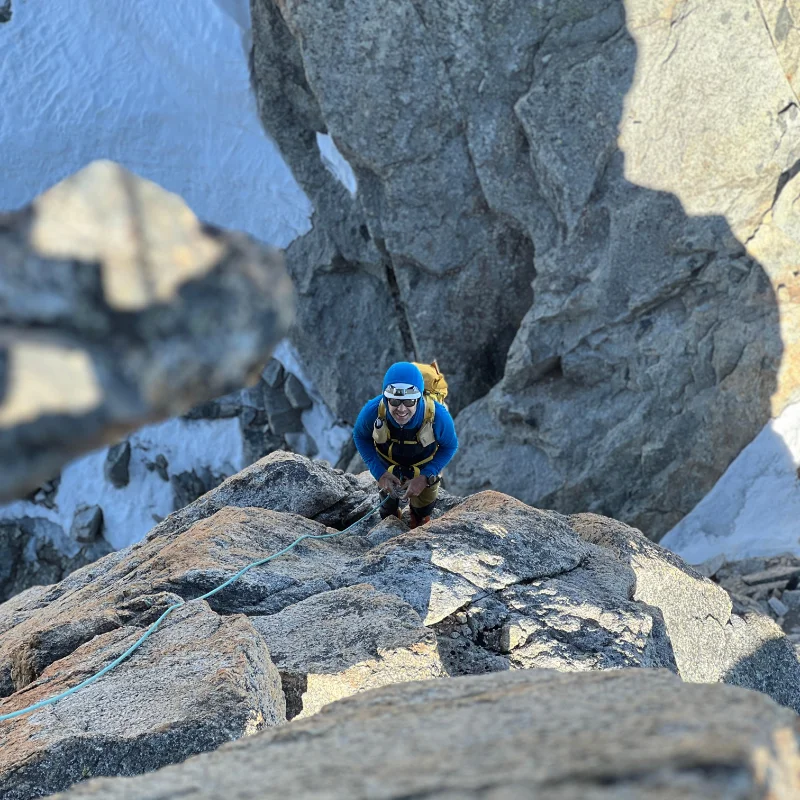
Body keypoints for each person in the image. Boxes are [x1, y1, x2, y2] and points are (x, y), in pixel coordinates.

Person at [353, 362, 458, 528]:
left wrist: (425, 476)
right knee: (387, 510)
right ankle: (392, 519)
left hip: (424, 467)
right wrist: (380, 474)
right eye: (394, 401)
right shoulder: (373, 411)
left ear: (419, 398)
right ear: (386, 398)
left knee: (422, 511)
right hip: (388, 466)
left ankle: (418, 520)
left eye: (409, 402)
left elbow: (450, 446)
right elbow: (360, 436)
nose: (401, 409)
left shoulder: (438, 416)